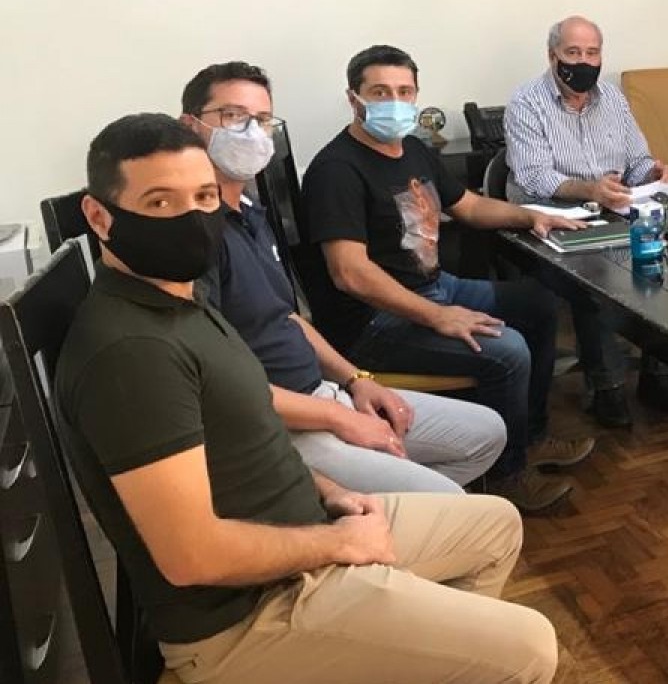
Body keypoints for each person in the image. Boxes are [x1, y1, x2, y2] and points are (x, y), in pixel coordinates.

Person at [55, 113, 558, 683]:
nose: (192, 218)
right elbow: (191, 556)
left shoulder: (182, 302)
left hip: (305, 534)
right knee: (531, 646)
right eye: (160, 202)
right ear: (99, 216)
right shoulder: (131, 353)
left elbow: (255, 441)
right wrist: (336, 544)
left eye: (203, 197)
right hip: (249, 616)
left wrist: (334, 493)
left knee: (496, 524)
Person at [182, 60, 504, 495]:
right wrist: (340, 418)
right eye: (233, 116)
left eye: (262, 119)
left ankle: (375, 511)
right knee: (452, 500)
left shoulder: (251, 214)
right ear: (190, 125)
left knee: (486, 433)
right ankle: (368, 509)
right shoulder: (194, 238)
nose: (251, 133)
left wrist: (356, 382)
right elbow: (216, 382)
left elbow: (286, 318)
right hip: (275, 424)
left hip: (323, 391)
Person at [302, 45, 593, 512]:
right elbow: (349, 273)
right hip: (372, 322)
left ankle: (530, 437)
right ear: (354, 98)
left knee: (539, 305)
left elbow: (469, 206)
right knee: (509, 351)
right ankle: (505, 476)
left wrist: (532, 215)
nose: (394, 102)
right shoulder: (335, 170)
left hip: (435, 289)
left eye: (404, 92)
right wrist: (437, 316)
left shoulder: (414, 149)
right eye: (380, 92)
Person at [504, 15, 668, 428]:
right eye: (573, 52)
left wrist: (655, 172)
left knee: (659, 262)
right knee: (594, 277)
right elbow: (533, 177)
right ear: (552, 55)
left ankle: (656, 372)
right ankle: (606, 386)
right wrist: (590, 190)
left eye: (592, 53)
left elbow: (636, 161)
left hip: (613, 209)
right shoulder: (526, 102)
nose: (583, 62)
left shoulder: (613, 99)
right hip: (552, 214)